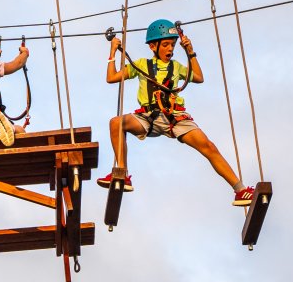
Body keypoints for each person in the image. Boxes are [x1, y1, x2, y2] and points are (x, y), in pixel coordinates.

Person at [101, 18, 254, 206]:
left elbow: (198, 77)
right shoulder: (141, 64)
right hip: (148, 118)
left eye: (172, 45)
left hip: (175, 118)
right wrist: (112, 52)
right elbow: (111, 77)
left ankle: (240, 190)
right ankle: (122, 174)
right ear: (152, 47)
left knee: (208, 146)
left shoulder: (177, 67)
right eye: (165, 45)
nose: (170, 49)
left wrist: (190, 52)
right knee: (116, 123)